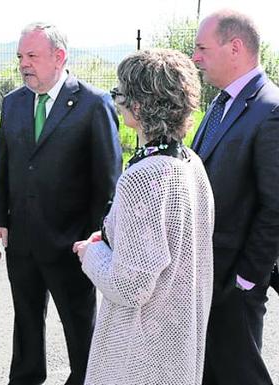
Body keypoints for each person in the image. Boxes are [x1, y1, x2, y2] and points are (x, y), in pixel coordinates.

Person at [0, 22, 122, 385]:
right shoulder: (14, 102)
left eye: (32, 56)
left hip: (73, 244)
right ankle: (26, 377)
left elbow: (108, 180)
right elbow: (3, 162)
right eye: (20, 57)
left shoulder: (94, 104)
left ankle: (87, 379)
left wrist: (99, 238)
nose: (23, 64)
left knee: (80, 327)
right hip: (23, 242)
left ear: (59, 57)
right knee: (26, 322)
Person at [74, 49, 215, 385]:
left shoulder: (144, 177)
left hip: (140, 351)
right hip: (177, 337)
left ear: (137, 107)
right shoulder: (191, 163)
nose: (116, 101)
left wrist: (91, 253)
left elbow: (132, 286)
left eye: (119, 92)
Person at [191, 9, 279, 385]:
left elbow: (276, 207)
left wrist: (247, 279)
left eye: (202, 48)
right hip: (206, 278)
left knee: (242, 376)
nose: (195, 58)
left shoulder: (270, 110)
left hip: (235, 284)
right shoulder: (220, 103)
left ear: (236, 47)